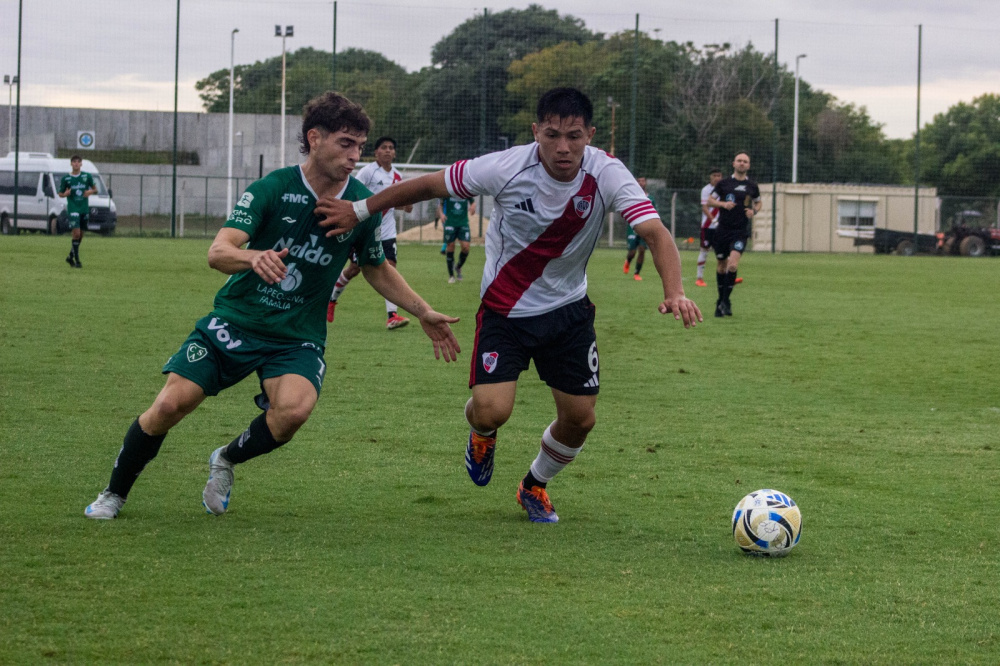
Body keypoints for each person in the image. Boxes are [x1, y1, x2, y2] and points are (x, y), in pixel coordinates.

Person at [315, 87, 701, 523]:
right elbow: (425, 185)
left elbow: (655, 231)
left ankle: (534, 485)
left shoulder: (607, 173)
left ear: (589, 135)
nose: (563, 147)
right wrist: (360, 209)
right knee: (492, 411)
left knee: (580, 419)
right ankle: (481, 431)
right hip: (504, 311)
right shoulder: (505, 167)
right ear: (536, 131)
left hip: (568, 312)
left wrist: (675, 291)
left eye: (574, 136)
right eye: (552, 134)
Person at [83, 92, 460, 520]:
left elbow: (375, 267)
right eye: (345, 143)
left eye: (360, 145)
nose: (356, 155)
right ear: (314, 139)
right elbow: (218, 250)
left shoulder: (360, 206)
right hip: (235, 322)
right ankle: (114, 494)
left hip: (296, 336)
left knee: (294, 412)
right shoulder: (273, 188)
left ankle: (225, 458)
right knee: (169, 406)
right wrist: (251, 257)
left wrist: (422, 309)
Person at [326, 136, 414, 329]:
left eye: (391, 148)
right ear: (376, 152)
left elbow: (398, 204)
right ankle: (331, 299)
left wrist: (406, 205)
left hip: (387, 232)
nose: (388, 151)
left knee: (389, 268)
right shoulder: (368, 173)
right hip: (366, 230)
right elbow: (353, 192)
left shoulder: (398, 177)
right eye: (384, 147)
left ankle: (392, 316)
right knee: (354, 269)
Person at [707, 152, 760, 317]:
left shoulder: (752, 185)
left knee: (732, 265)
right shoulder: (724, 183)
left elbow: (758, 202)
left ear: (749, 165)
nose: (742, 163)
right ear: (733, 163)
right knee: (722, 265)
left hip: (740, 232)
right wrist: (722, 204)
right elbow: (709, 200)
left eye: (745, 161)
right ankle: (723, 301)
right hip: (723, 230)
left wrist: (754, 211)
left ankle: (723, 302)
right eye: (739, 161)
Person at [58, 155, 97, 268]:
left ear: (81, 164)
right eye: (74, 162)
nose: (76, 164)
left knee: (81, 235)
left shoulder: (86, 176)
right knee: (76, 233)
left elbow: (95, 189)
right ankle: (77, 261)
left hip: (84, 208)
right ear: (71, 164)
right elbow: (60, 193)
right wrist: (65, 194)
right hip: (73, 208)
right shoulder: (66, 179)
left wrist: (90, 192)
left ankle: (70, 256)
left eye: (78, 162)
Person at [622, 177, 656, 281]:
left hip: (645, 228)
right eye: (639, 181)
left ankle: (637, 273)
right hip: (633, 227)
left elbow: (653, 213)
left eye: (643, 181)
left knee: (641, 250)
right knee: (632, 252)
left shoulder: (651, 199)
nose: (641, 183)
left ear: (645, 183)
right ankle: (628, 261)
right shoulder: (632, 197)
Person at [438, 195, 476, 283]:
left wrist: (473, 206)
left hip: (463, 223)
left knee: (466, 247)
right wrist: (441, 214)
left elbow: (473, 201)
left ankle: (458, 267)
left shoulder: (464, 189)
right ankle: (451, 276)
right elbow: (440, 205)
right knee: (450, 247)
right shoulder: (447, 191)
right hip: (450, 222)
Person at [695, 168, 722, 287]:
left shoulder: (723, 189)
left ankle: (725, 278)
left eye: (719, 175)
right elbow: (705, 207)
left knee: (722, 253)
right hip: (707, 226)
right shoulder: (706, 190)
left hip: (721, 227)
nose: (717, 178)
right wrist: (713, 219)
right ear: (710, 177)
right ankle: (699, 278)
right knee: (704, 251)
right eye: (714, 175)